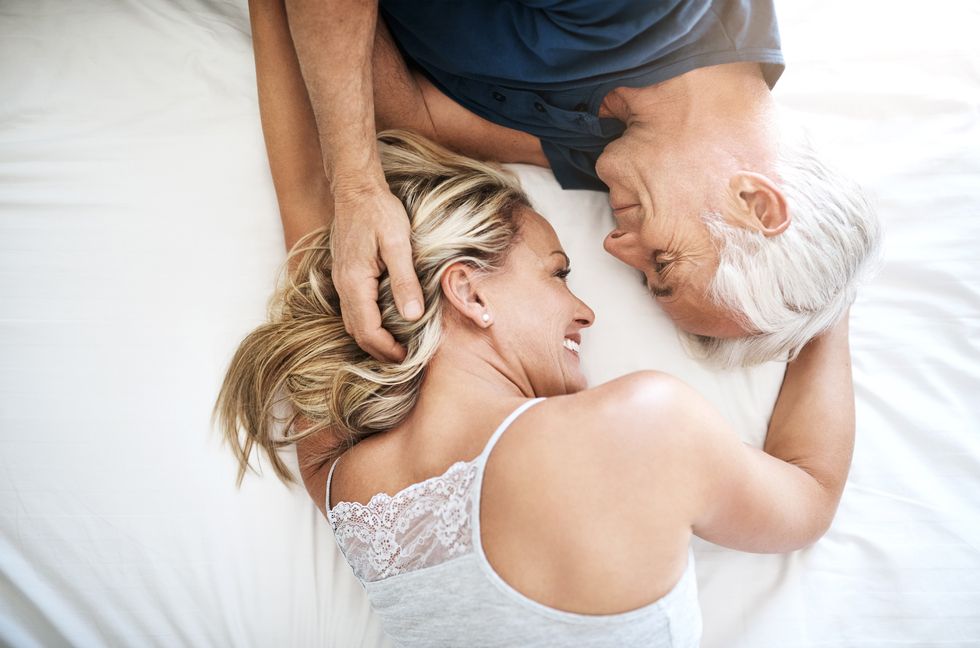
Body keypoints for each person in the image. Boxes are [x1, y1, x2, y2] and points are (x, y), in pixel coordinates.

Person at [214, 131, 856, 647]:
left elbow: (309, 218)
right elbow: (811, 496)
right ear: (468, 291)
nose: (586, 311)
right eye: (557, 274)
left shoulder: (342, 482)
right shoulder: (642, 428)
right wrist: (826, 293)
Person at [258, 0, 880, 368]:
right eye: (662, 259)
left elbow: (413, 117)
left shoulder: (628, 154)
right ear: (755, 201)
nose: (614, 248)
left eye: (642, 275)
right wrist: (358, 184)